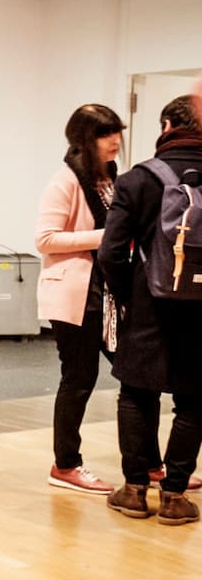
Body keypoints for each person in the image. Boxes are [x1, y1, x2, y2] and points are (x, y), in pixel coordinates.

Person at [102, 94, 202, 524]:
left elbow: (110, 252)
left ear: (165, 126)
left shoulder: (137, 179)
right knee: (194, 401)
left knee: (137, 394)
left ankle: (135, 489)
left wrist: (128, 295)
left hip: (148, 302)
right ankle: (176, 497)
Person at [34, 105, 123, 494]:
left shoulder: (113, 177)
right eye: (106, 134)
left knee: (137, 376)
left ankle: (149, 464)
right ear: (86, 139)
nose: (116, 141)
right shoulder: (64, 180)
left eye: (118, 132)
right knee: (79, 379)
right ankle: (66, 464)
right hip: (76, 294)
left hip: (110, 294)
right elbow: (45, 239)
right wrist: (107, 236)